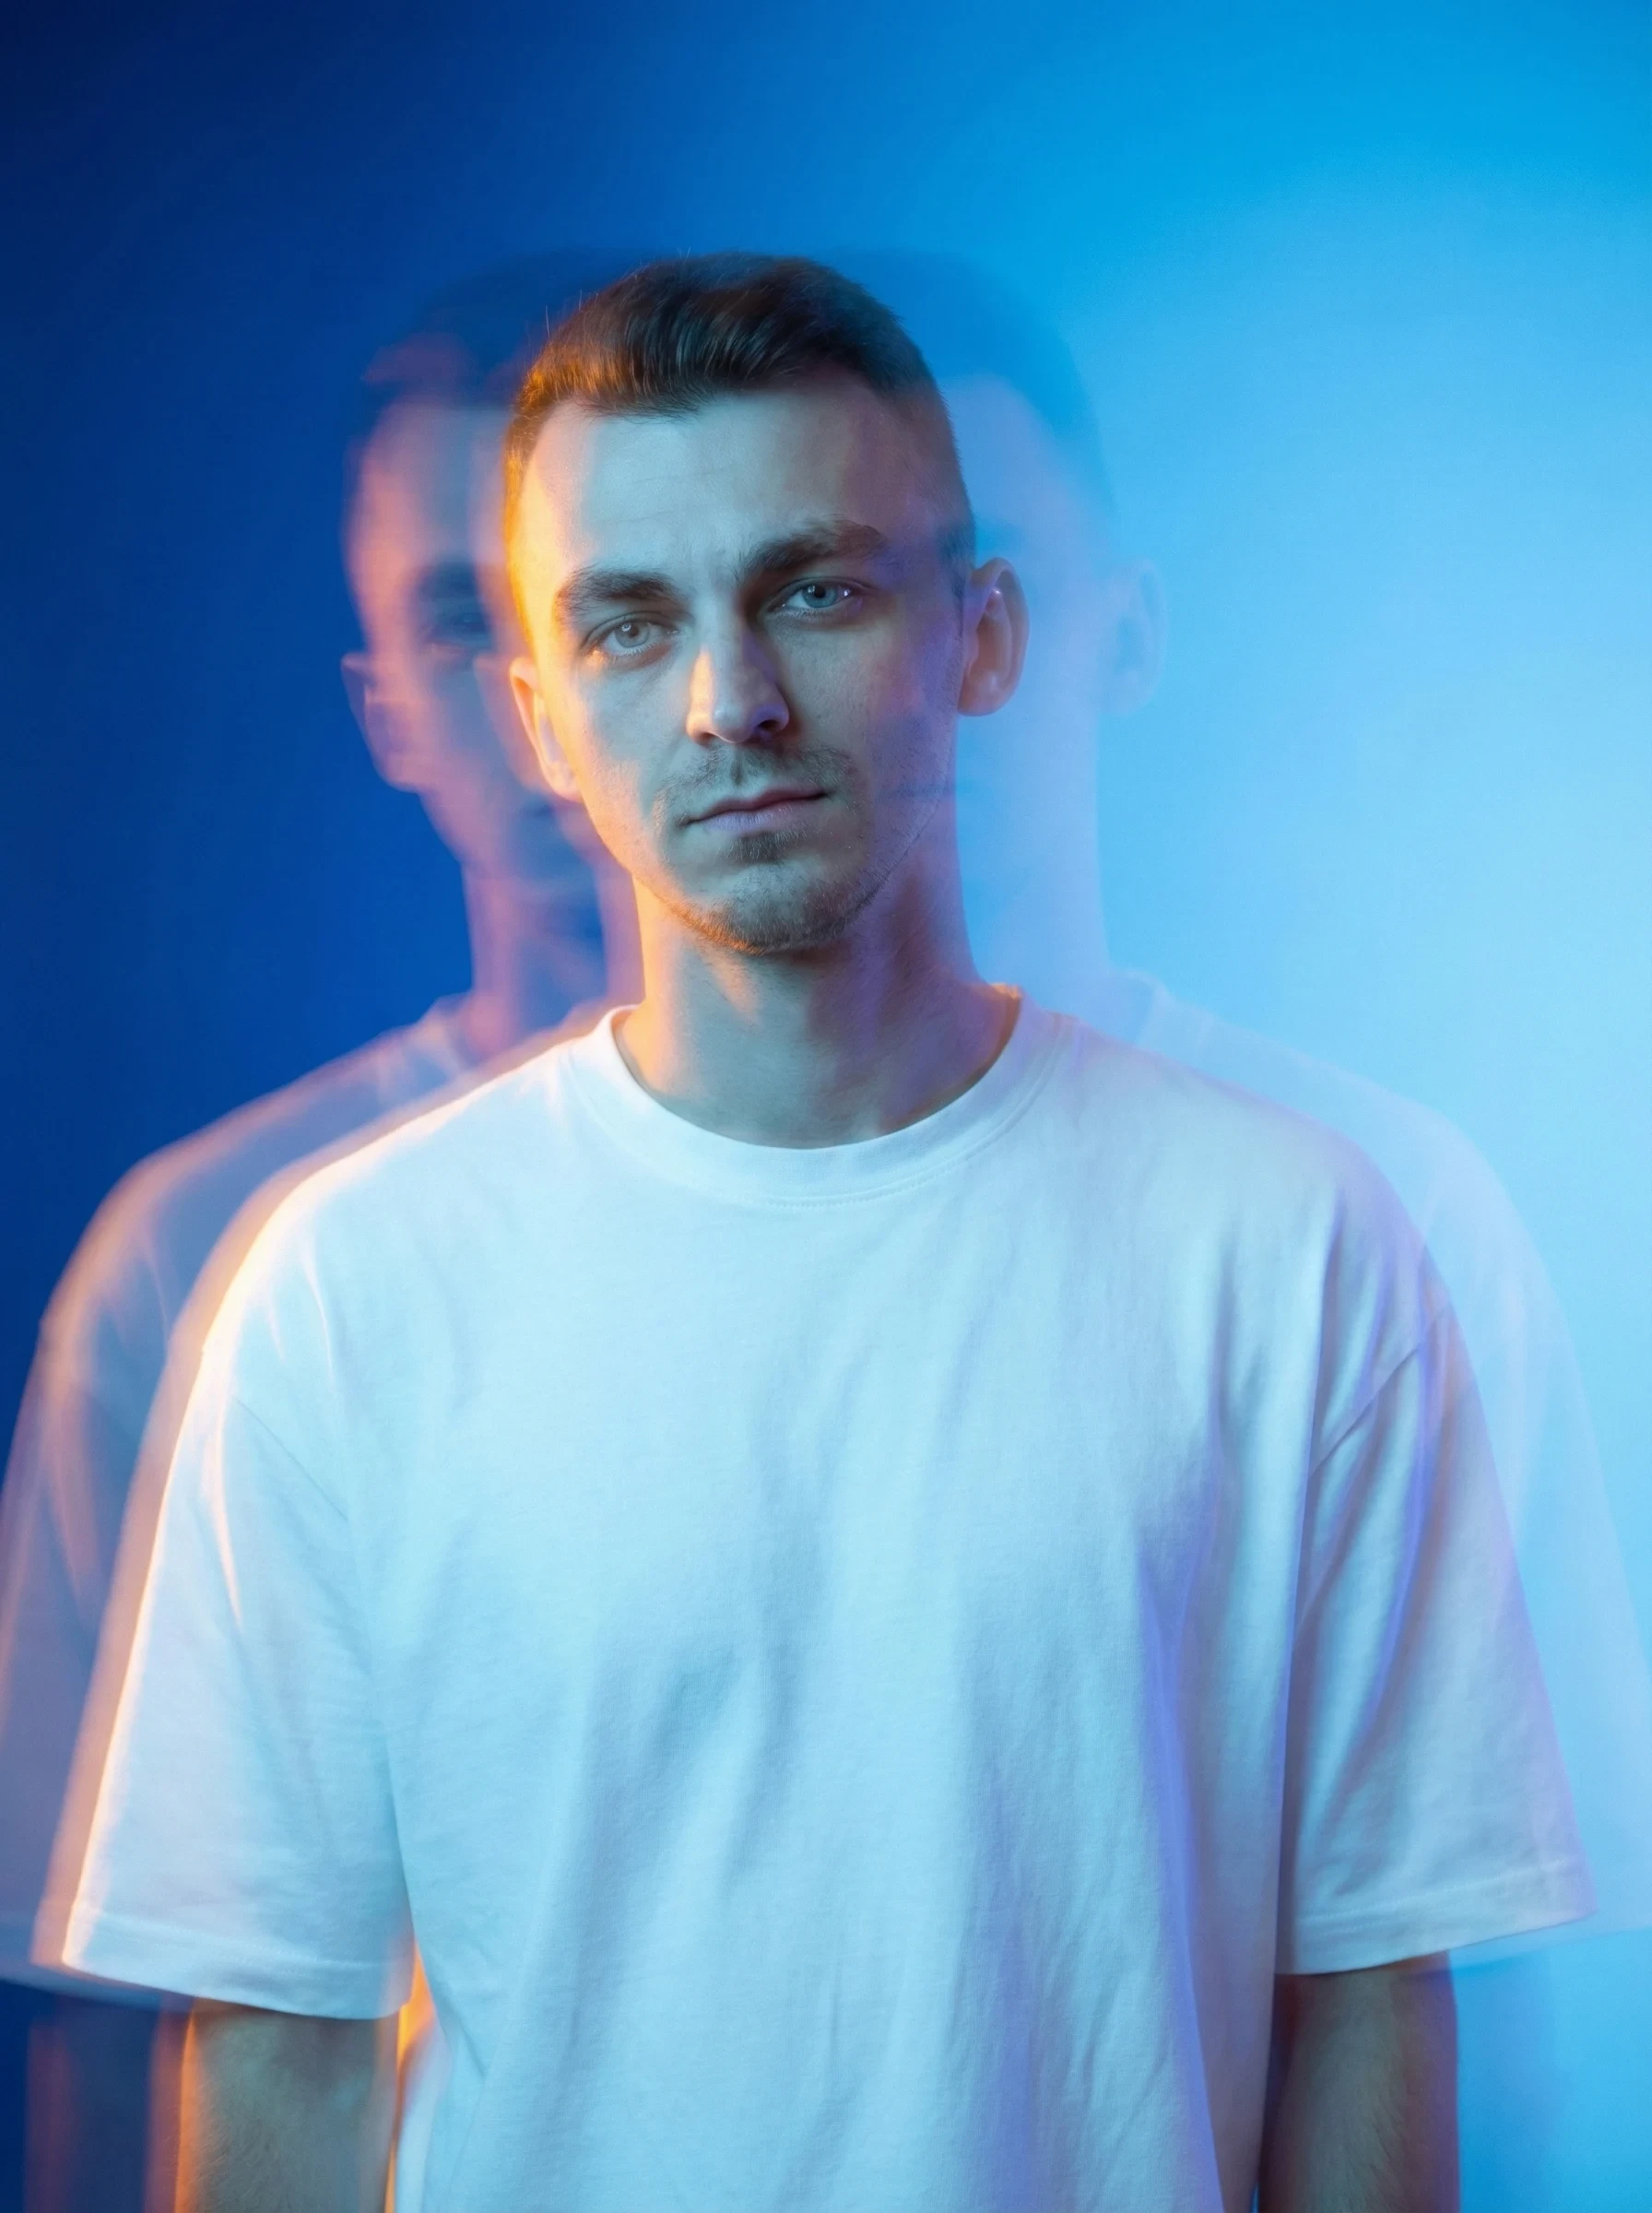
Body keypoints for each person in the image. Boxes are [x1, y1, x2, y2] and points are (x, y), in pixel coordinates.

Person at [59, 254, 1588, 2212]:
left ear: (983, 632)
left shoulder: (1294, 1247)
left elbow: (1366, 2007)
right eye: (628, 624)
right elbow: (277, 2044)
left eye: (815, 587)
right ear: (535, 714)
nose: (731, 702)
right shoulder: (344, 1293)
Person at [836, 252, 1652, 2200]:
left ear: (1113, 632)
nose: (922, 648)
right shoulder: (458, 1247)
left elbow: (1499, 1977)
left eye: (981, 569)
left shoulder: (1376, 1215)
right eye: (842, 581)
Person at [0, 250, 641, 2209]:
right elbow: (109, 2005)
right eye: (458, 623)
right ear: (385, 712)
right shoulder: (206, 1266)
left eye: (580, 575)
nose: (531, 680)